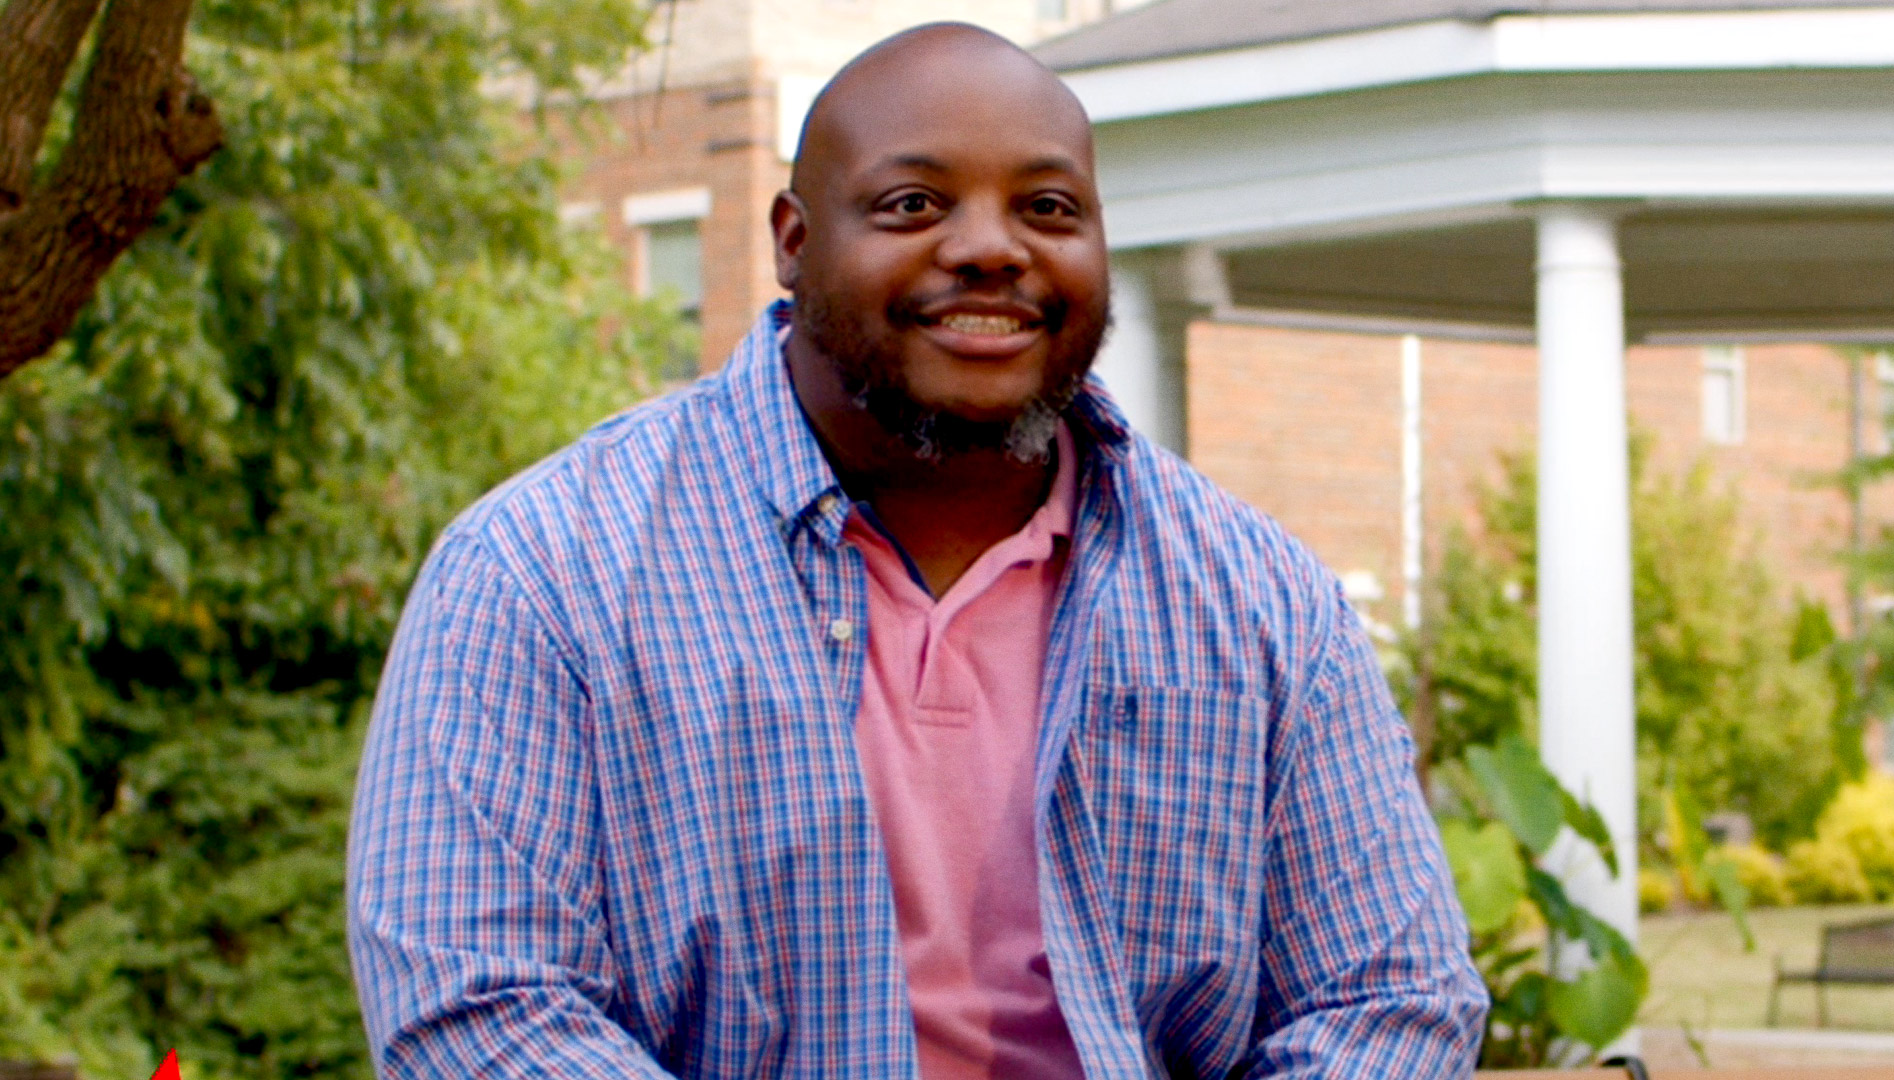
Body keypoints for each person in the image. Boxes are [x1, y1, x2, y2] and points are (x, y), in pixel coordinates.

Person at [347, 22, 1488, 1079]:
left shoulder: (1261, 602)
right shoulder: (542, 573)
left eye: (1048, 208)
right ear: (794, 242)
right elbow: (475, 1007)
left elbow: (1389, 996)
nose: (991, 249)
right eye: (912, 204)